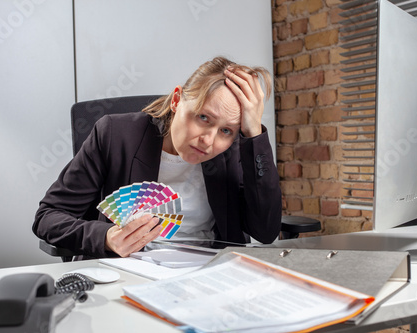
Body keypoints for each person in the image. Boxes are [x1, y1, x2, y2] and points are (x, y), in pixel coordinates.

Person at [33, 56, 282, 259]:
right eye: (203, 117)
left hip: (209, 273)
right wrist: (106, 237)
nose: (209, 141)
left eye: (226, 130)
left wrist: (254, 134)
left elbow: (266, 231)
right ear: (176, 100)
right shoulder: (114, 134)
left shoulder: (233, 150)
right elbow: (49, 216)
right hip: (131, 272)